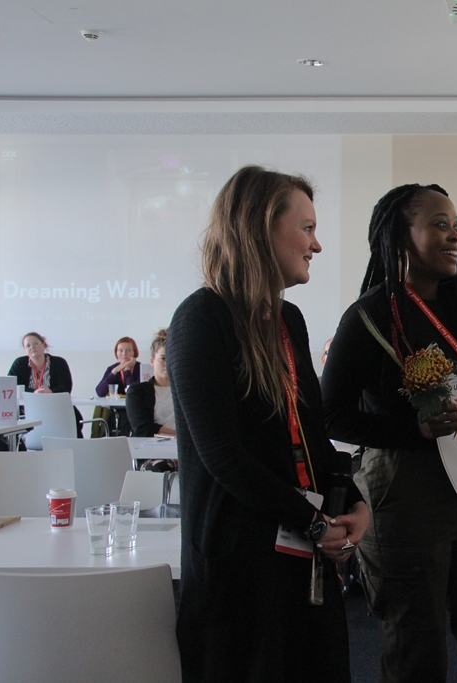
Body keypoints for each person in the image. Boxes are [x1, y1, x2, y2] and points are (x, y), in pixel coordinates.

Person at [167, 165, 369, 682]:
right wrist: (315, 523)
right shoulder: (200, 319)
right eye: (307, 228)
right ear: (261, 227)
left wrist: (355, 506)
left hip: (301, 553)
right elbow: (224, 458)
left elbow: (311, 437)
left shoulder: (288, 320)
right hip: (239, 568)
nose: (316, 245)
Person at [320, 184, 457, 683]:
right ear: (399, 236)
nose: (454, 236)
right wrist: (414, 430)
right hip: (404, 492)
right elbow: (330, 415)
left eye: (455, 226)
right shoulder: (368, 316)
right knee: (417, 656)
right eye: (439, 224)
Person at [126, 329, 176, 438]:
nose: (167, 363)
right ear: (152, 362)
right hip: (151, 446)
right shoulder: (137, 392)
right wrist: (179, 435)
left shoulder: (186, 391)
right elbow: (142, 428)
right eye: (163, 358)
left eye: (172, 358)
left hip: (182, 446)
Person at [8, 332, 74, 394]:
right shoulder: (19, 363)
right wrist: (34, 392)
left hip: (54, 400)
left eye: (35, 343)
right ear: (25, 350)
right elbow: (10, 386)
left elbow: (66, 387)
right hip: (27, 401)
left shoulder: (59, 362)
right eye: (28, 345)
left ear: (44, 345)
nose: (32, 347)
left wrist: (51, 392)